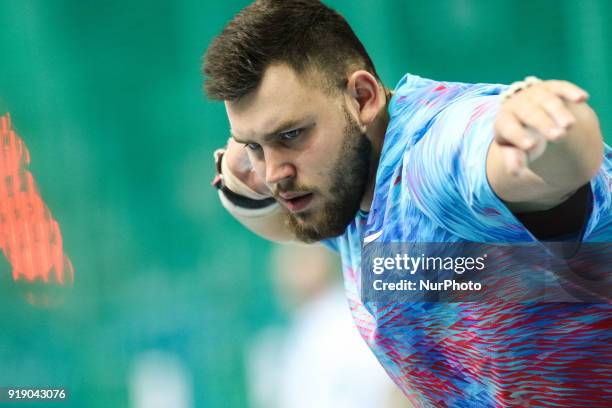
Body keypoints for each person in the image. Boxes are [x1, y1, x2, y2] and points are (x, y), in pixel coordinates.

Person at [203, 0, 612, 406]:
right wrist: (238, 186)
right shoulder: (344, 189)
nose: (274, 173)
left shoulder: (434, 157)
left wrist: (550, 130)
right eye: (255, 146)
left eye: (290, 134)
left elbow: (548, 165)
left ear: (362, 98)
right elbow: (276, 221)